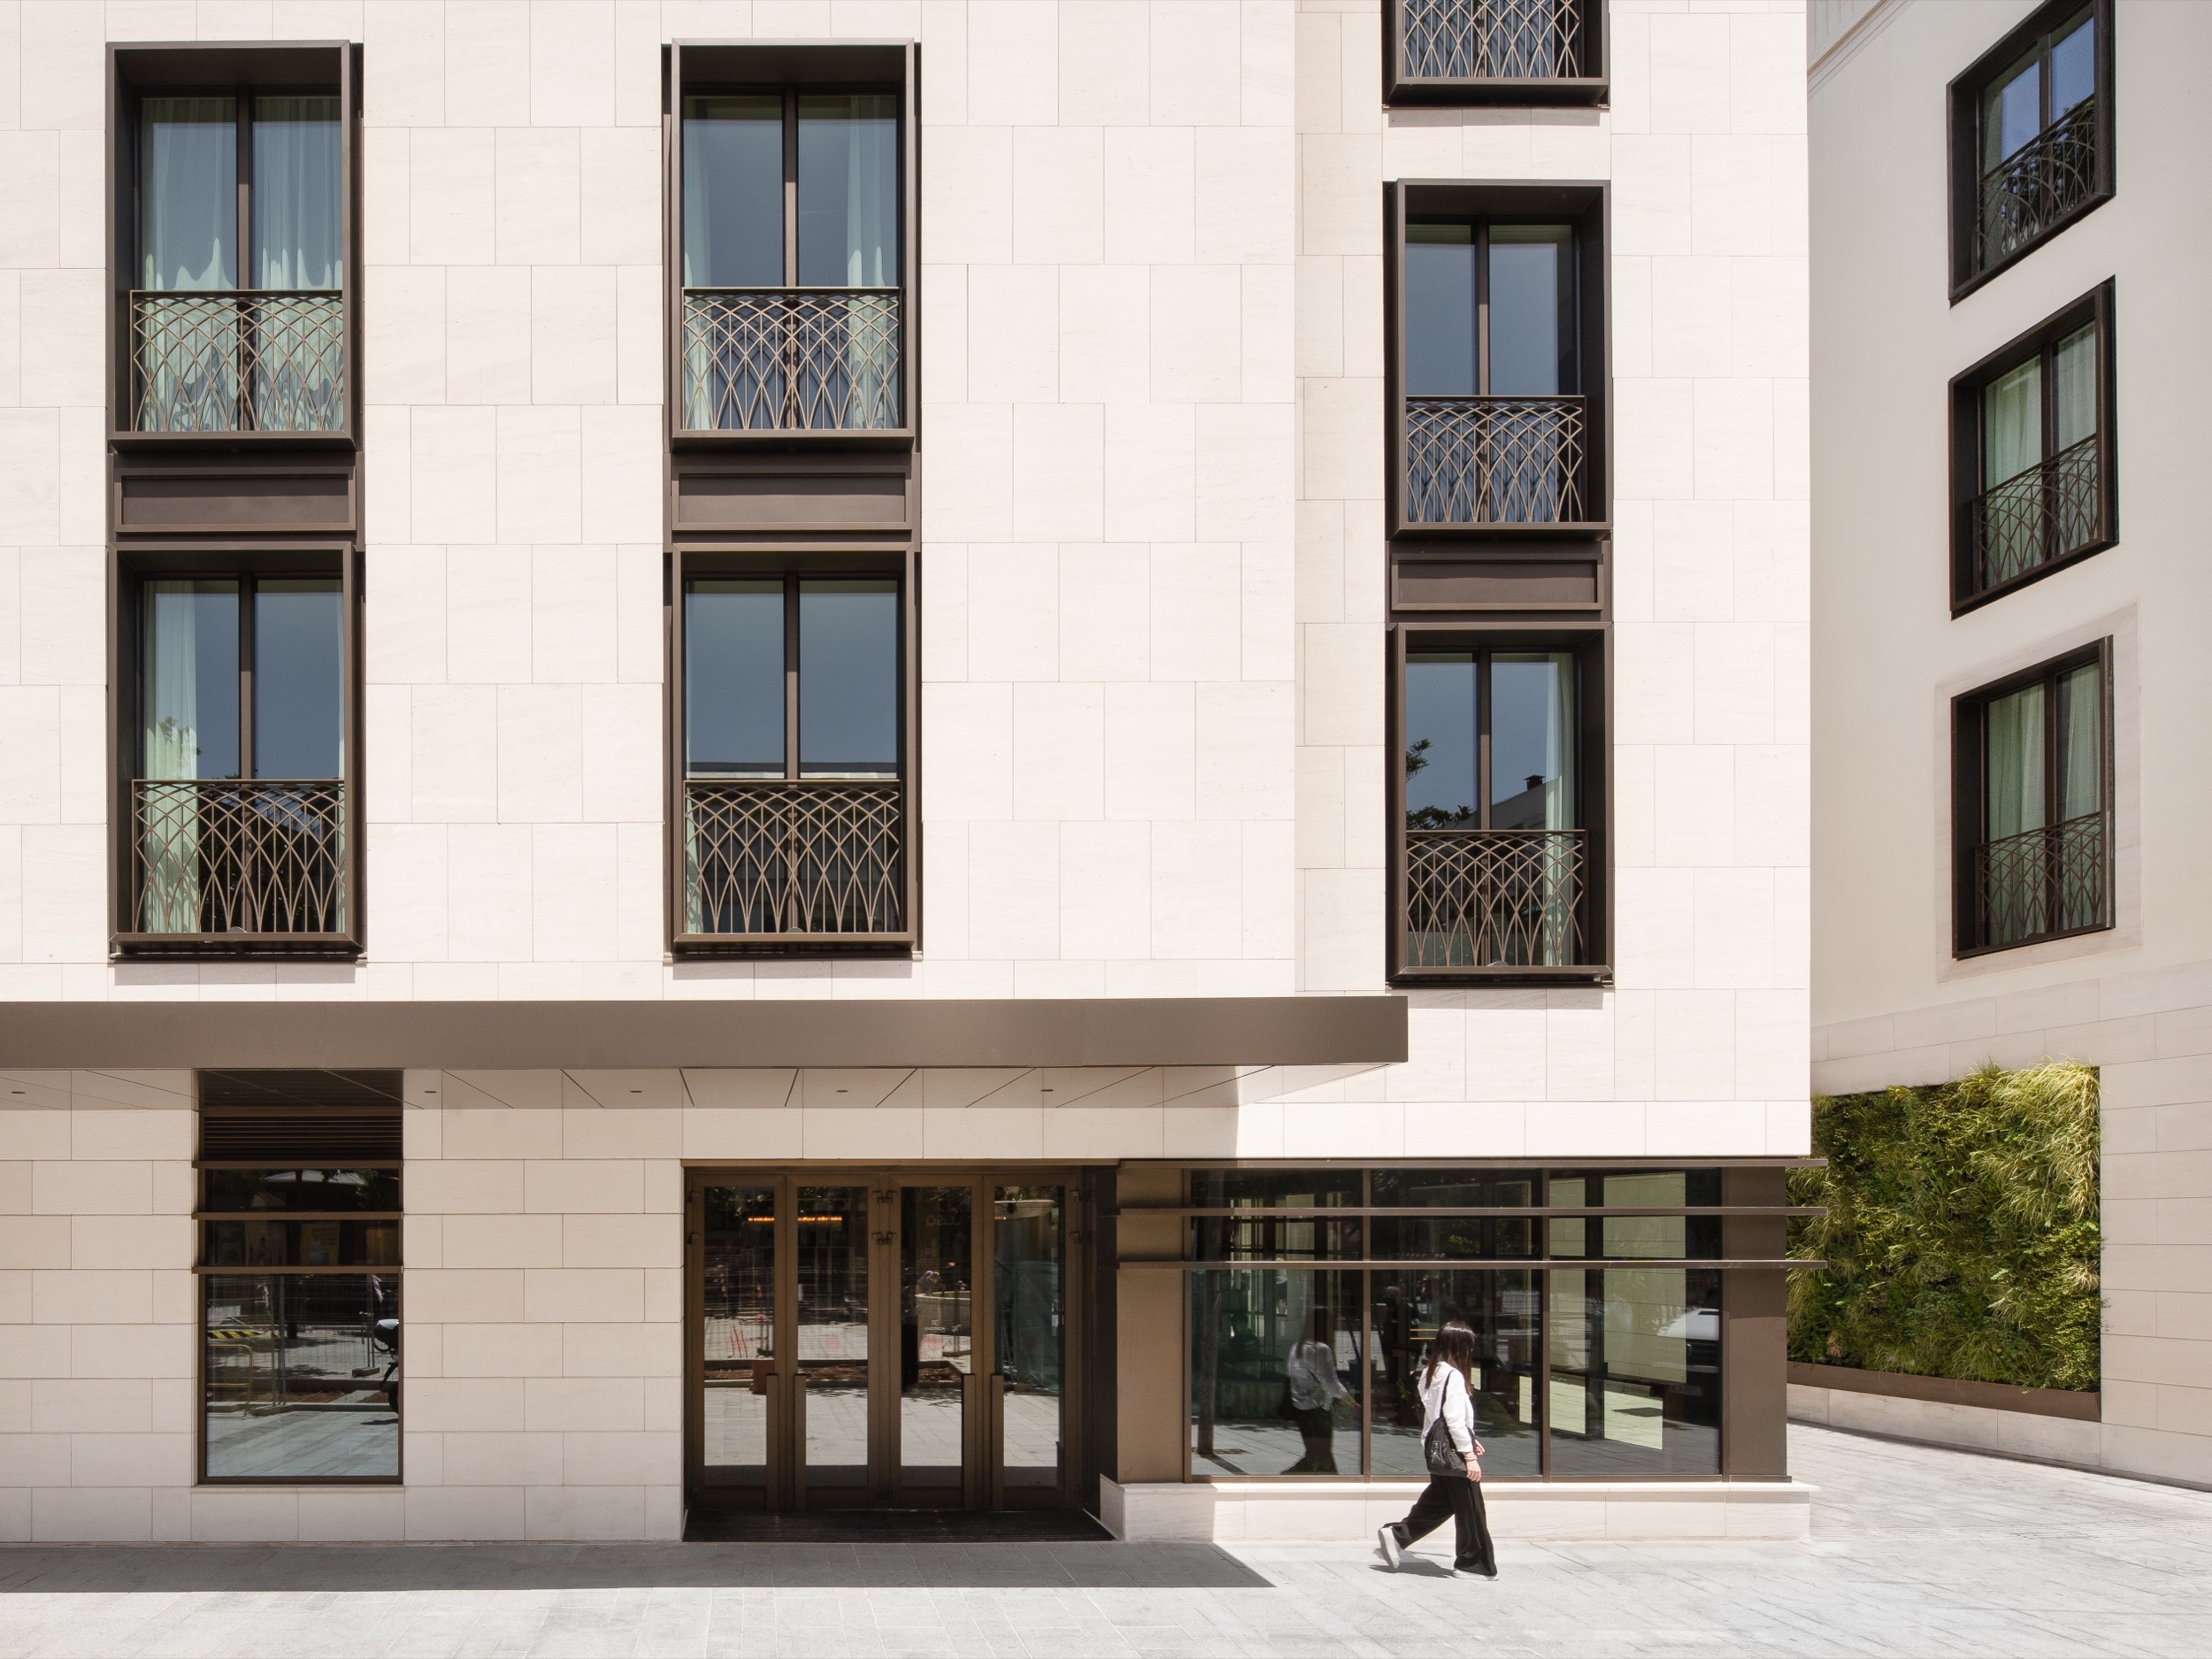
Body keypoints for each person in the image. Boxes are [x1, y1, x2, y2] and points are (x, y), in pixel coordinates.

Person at [1377, 1319, 1498, 1578]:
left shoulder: (1431, 1371)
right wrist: (1468, 1456)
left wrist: (1469, 1437)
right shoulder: (1453, 1376)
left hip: (1437, 1448)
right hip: (1452, 1452)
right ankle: (1471, 1564)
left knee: (1440, 1501)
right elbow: (1452, 1419)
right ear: (1461, 1347)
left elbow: (1437, 1417)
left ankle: (1397, 1536)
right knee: (1470, 1509)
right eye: (1469, 1346)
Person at [1283, 1308, 1349, 1473]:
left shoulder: (1297, 1347)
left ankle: (1289, 1478)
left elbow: (1292, 1377)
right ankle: (1287, 1478)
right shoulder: (1320, 1349)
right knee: (1322, 1454)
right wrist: (1352, 1402)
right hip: (1318, 1410)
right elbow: (1331, 1384)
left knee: (1316, 1453)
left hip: (1301, 1409)